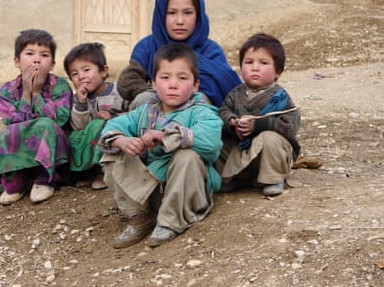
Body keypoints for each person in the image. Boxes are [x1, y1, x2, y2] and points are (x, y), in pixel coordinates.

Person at [98, 43, 223, 248]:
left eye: (182, 78)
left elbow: (211, 142)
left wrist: (165, 136)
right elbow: (113, 126)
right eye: (165, 78)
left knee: (187, 156)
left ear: (195, 85)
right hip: (153, 190)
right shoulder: (147, 111)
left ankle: (170, 221)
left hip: (186, 192)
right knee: (115, 150)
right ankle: (139, 216)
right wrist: (124, 141)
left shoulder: (202, 111)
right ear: (154, 83)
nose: (173, 84)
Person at [0, 29, 73, 205]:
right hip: (22, 151)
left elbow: (59, 119)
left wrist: (37, 93)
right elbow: (12, 122)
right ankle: (17, 179)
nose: (37, 59)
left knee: (45, 124)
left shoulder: (60, 86)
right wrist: (26, 94)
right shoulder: (6, 91)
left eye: (44, 55)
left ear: (52, 63)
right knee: (8, 133)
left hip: (54, 150)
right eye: (30, 54)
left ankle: (44, 178)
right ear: (17, 61)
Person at [117, 0, 242, 108]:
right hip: (153, 114)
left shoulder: (210, 50)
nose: (180, 21)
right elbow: (127, 82)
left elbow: (226, 87)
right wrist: (161, 91)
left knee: (201, 101)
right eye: (171, 13)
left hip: (196, 118)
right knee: (144, 99)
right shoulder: (147, 47)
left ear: (198, 16)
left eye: (188, 13)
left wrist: (184, 95)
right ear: (161, 15)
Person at [216, 33, 301, 196]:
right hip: (244, 151)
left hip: (269, 155)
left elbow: (291, 126)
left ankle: (273, 178)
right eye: (249, 62)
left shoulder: (280, 97)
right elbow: (224, 111)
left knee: (269, 138)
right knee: (217, 143)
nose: (255, 67)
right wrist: (232, 122)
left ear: (278, 71)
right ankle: (238, 178)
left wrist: (258, 126)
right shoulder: (235, 94)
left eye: (263, 63)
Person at [63, 42, 129, 190]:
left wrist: (113, 118)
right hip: (91, 141)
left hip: (115, 138)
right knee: (75, 135)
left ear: (103, 71)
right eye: (74, 74)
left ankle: (104, 172)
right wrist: (81, 102)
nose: (81, 77)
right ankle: (86, 172)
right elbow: (79, 126)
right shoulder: (78, 98)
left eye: (86, 70)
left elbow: (134, 114)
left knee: (103, 127)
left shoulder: (120, 91)